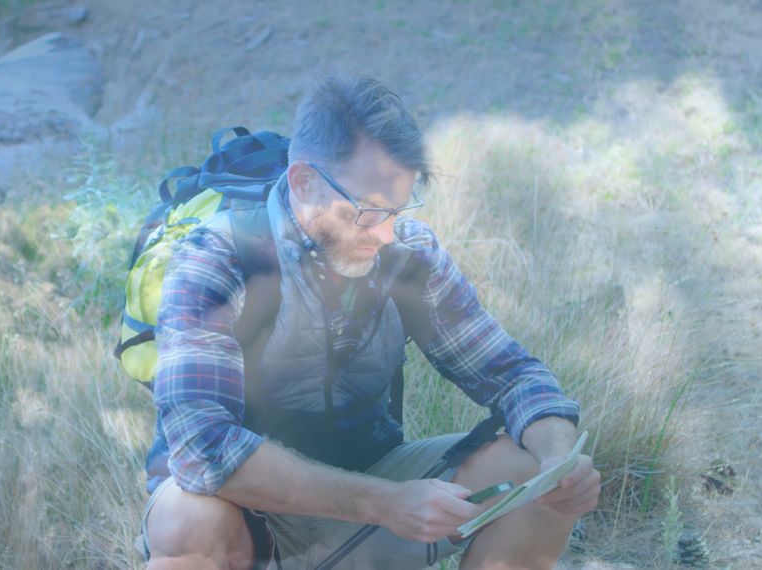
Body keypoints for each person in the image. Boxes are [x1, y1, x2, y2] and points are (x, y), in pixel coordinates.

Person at [134, 74, 601, 570]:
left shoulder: (408, 254)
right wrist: (384, 504)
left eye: (398, 209)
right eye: (368, 211)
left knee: (530, 470)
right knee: (189, 521)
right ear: (304, 182)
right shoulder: (216, 256)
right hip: (248, 513)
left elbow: (514, 375)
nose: (385, 234)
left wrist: (558, 459)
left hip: (369, 483)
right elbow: (204, 448)